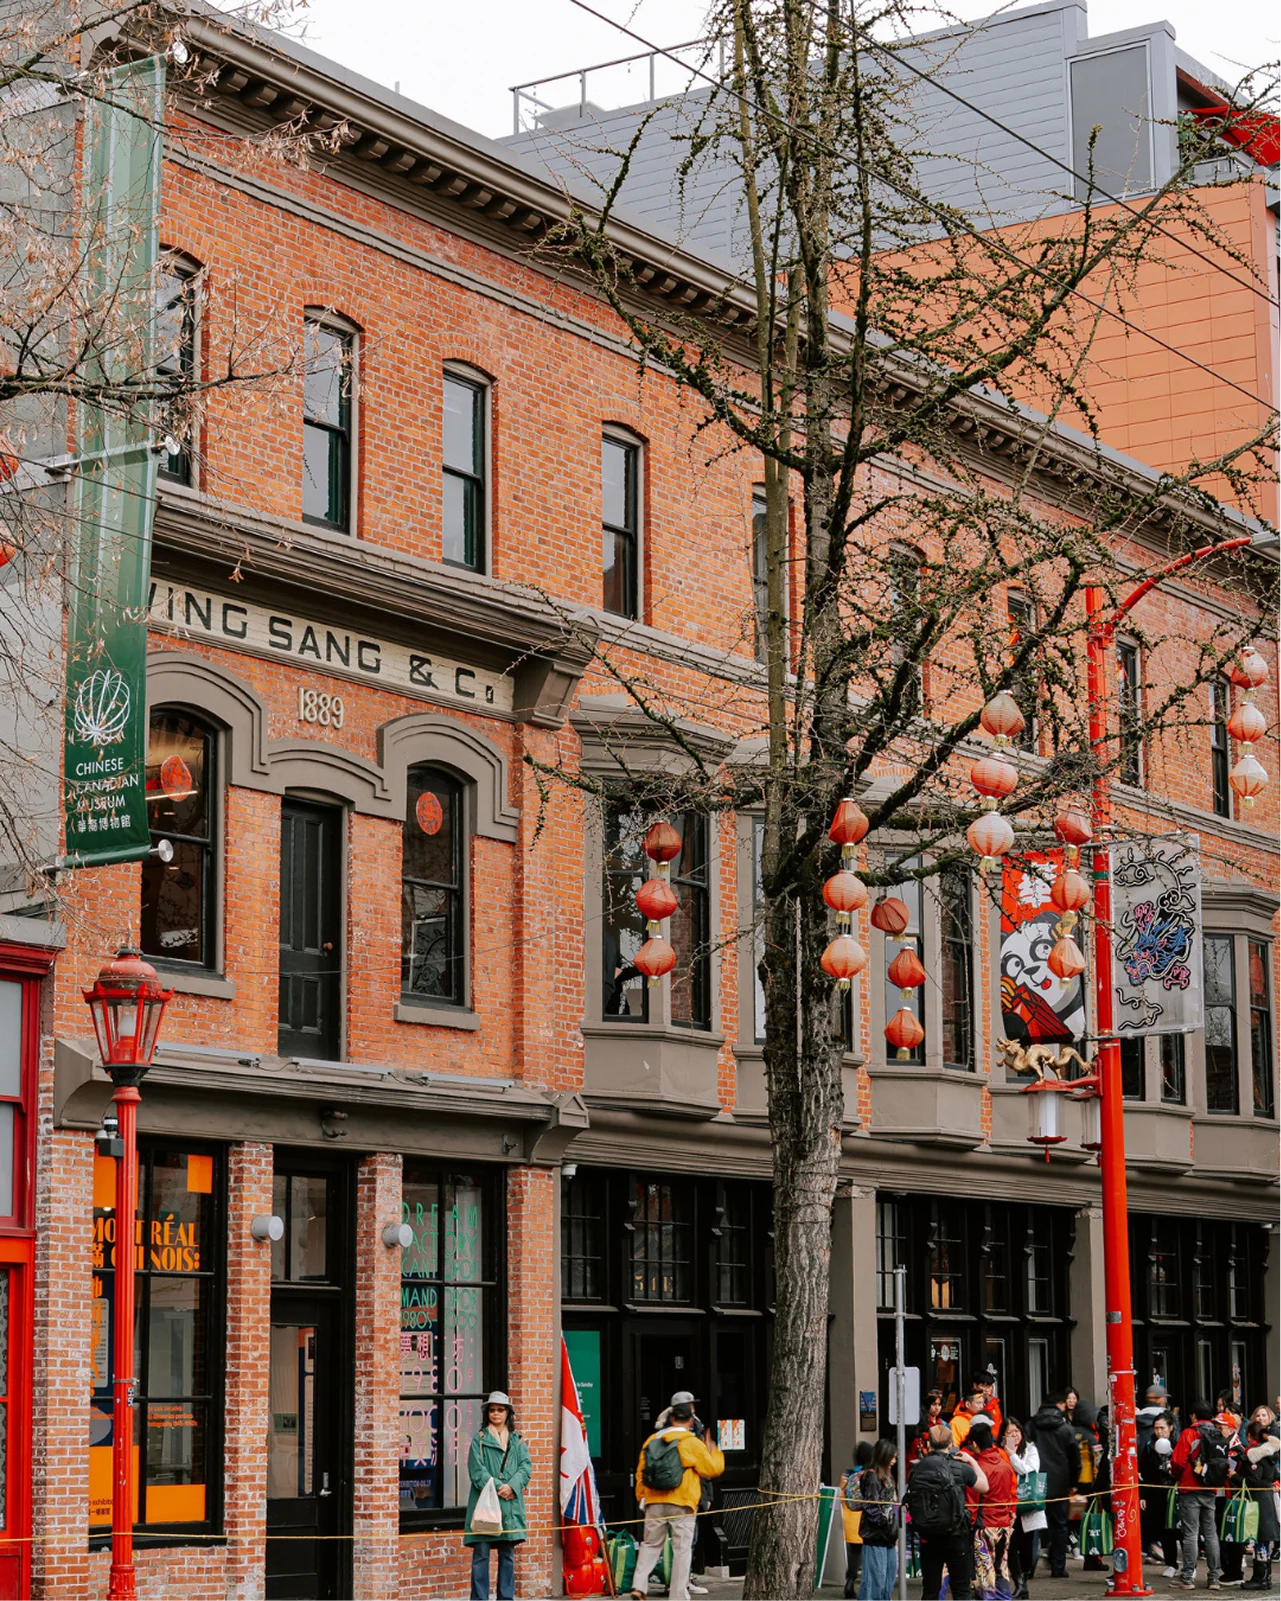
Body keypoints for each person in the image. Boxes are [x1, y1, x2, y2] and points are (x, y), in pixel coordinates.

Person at [630, 1390, 725, 1601]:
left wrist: (642, 1497)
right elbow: (711, 1469)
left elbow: (641, 1471)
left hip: (655, 1502)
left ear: (671, 1418)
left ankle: (639, 1585)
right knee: (682, 1549)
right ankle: (678, 1595)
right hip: (682, 1502)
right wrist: (713, 1449)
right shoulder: (691, 1443)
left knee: (650, 1545)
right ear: (690, 1421)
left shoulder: (652, 1441)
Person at [464, 1392, 532, 1601]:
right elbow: (477, 1470)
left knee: (507, 1557)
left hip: (509, 1507)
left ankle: (506, 1598)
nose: (496, 1414)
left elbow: (525, 1467)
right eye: (492, 1410)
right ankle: (479, 1598)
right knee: (481, 1555)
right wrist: (498, 1486)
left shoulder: (518, 1441)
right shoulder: (480, 1439)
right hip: (485, 1505)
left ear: (508, 1413)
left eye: (500, 1410)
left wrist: (512, 1486)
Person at [909, 1422, 988, 1600]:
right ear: (950, 1445)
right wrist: (972, 1460)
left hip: (928, 1536)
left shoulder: (917, 1469)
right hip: (956, 1535)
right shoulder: (960, 1468)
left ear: (928, 1445)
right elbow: (984, 1486)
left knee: (930, 1590)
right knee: (961, 1590)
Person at [1171, 1400, 1228, 1590]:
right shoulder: (1217, 1433)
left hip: (1190, 1488)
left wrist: (1176, 1476)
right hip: (1210, 1488)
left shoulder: (1189, 1433)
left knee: (1191, 1534)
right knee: (1211, 1533)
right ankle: (1214, 1577)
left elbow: (1177, 1462)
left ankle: (1187, 1577)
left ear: (1193, 1416)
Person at [963, 1420, 1015, 1600]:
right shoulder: (1005, 1465)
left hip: (984, 1526)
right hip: (1004, 1525)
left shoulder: (977, 1469)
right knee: (1002, 1569)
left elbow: (972, 1503)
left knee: (985, 1572)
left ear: (975, 1444)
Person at [1030, 1390, 1079, 1579]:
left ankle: (1029, 1566)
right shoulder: (1065, 1428)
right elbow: (1075, 1458)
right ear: (1060, 1405)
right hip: (1060, 1482)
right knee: (1059, 1525)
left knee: (1032, 1523)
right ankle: (1058, 1567)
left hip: (1035, 1480)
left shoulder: (1031, 1425)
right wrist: (1074, 1483)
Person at [999, 1415, 1045, 1601]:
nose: (1014, 1436)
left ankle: (1024, 1576)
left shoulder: (1030, 1449)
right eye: (1009, 1433)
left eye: (1016, 1431)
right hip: (1008, 1506)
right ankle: (1020, 1583)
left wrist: (1012, 1456)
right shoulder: (999, 1451)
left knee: (1028, 1549)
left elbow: (1029, 1470)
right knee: (1011, 1545)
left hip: (1027, 1505)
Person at [855, 1438, 902, 1600]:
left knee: (886, 1582)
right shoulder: (872, 1477)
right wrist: (888, 1523)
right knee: (875, 1582)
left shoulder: (886, 1476)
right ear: (884, 1456)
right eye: (893, 1457)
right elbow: (871, 1508)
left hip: (887, 1536)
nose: (894, 1461)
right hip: (876, 1536)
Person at [1138, 1410, 1181, 1578]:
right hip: (1157, 1491)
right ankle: (1171, 1563)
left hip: (1176, 1491)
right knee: (1165, 1529)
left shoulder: (1178, 1444)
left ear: (1171, 1427)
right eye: (1156, 1428)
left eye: (1162, 1428)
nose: (1159, 1431)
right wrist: (1143, 1494)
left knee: (1183, 1529)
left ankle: (1189, 1566)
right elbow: (1144, 1472)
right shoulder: (1149, 1446)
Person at [1242, 1411, 1279, 1591]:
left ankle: (1261, 1578)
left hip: (1259, 1501)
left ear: (1250, 1436)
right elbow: (1274, 1477)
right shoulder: (1271, 1455)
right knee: (1263, 1541)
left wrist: (1236, 1478)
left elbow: (1255, 1480)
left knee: (1261, 1541)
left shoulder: (1254, 1456)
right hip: (1267, 1500)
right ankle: (1265, 1577)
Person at [843, 1440, 874, 1599]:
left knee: (854, 1555)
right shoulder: (869, 1476)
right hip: (865, 1520)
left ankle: (850, 1581)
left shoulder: (847, 1475)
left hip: (850, 1519)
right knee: (868, 1556)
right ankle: (866, 1587)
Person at [909, 1392, 947, 1468]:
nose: (937, 1408)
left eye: (939, 1405)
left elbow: (953, 1447)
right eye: (934, 1404)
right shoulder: (920, 1424)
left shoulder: (945, 1425)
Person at [952, 1385, 995, 1450]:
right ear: (968, 1404)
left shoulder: (983, 1418)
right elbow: (953, 1448)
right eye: (978, 1403)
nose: (981, 1406)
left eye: (982, 1403)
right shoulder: (956, 1422)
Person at [1136, 1386, 1171, 1455]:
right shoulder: (1169, 1417)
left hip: (1143, 1458)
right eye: (1165, 1398)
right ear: (1160, 1400)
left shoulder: (1136, 1417)